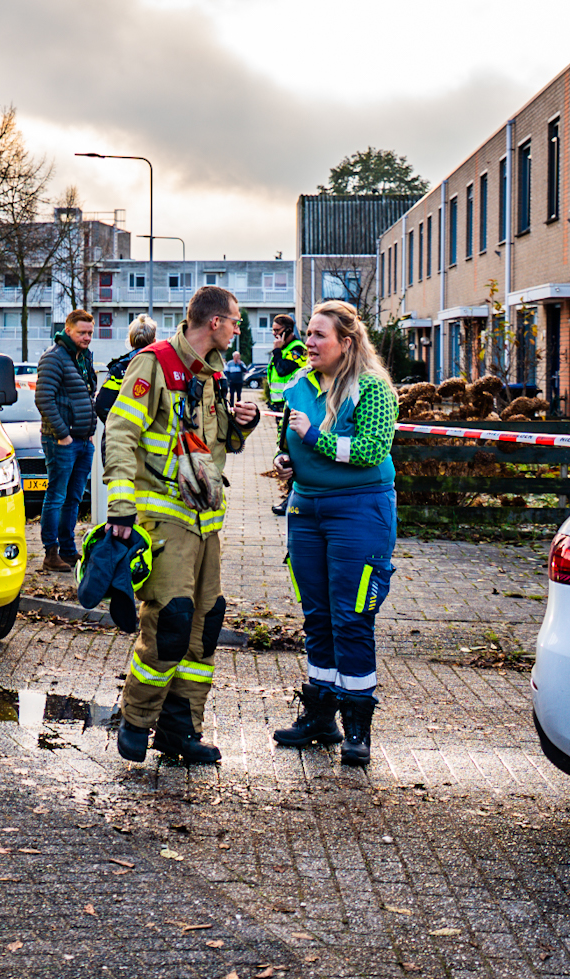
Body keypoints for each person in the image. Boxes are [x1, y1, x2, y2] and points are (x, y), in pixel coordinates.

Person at [102, 285, 260, 764]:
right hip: (165, 522)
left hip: (206, 524)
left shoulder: (211, 374)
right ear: (215, 322)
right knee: (169, 622)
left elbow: (214, 445)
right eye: (235, 320)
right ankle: (135, 720)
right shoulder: (154, 363)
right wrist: (120, 507)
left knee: (204, 627)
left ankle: (179, 731)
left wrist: (242, 424)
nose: (238, 329)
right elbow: (120, 434)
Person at [267, 300, 400, 768]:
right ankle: (320, 716)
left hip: (359, 511)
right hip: (306, 510)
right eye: (307, 333)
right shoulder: (300, 386)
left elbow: (370, 450)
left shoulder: (373, 387)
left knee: (352, 617)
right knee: (317, 616)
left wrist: (313, 439)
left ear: (346, 341)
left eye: (319, 334)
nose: (309, 342)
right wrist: (287, 460)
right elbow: (290, 440)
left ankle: (357, 726)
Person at [34, 310, 99, 573]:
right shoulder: (54, 357)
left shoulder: (83, 357)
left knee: (74, 498)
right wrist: (63, 434)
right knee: (57, 496)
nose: (87, 337)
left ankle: (68, 551)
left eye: (90, 333)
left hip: (83, 440)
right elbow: (43, 399)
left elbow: (87, 394)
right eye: (82, 333)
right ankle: (51, 553)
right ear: (68, 330)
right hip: (61, 441)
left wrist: (89, 431)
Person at [263, 313, 308, 517]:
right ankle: (290, 496)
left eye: (277, 331)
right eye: (273, 330)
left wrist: (277, 350)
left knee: (290, 449)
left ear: (288, 330)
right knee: (283, 448)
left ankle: (292, 497)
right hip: (280, 406)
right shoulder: (284, 349)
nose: (274, 335)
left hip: (292, 407)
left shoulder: (297, 349)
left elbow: (282, 370)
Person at [93, 314, 158, 424]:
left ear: (130, 341)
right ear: (154, 341)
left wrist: (118, 427)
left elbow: (102, 406)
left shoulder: (119, 369)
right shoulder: (162, 367)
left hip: (122, 432)